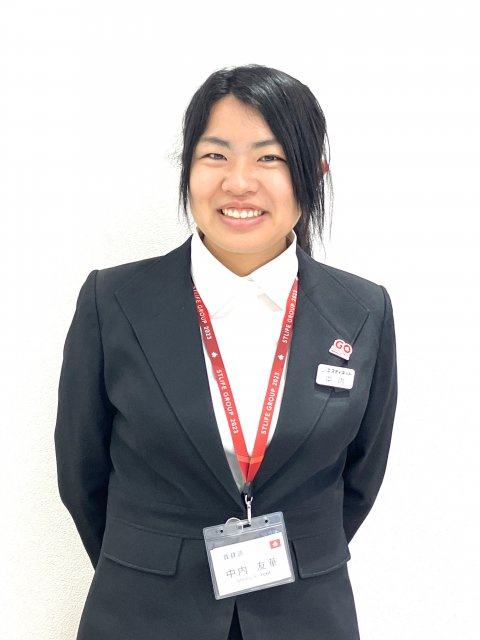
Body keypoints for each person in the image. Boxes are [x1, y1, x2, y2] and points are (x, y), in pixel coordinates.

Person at [55, 64, 397, 640]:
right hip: (143, 613)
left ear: (314, 173)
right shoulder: (113, 301)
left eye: (270, 158)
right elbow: (81, 474)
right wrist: (149, 561)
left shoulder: (363, 311)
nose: (239, 182)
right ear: (188, 168)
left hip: (305, 614)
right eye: (215, 155)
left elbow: (361, 475)